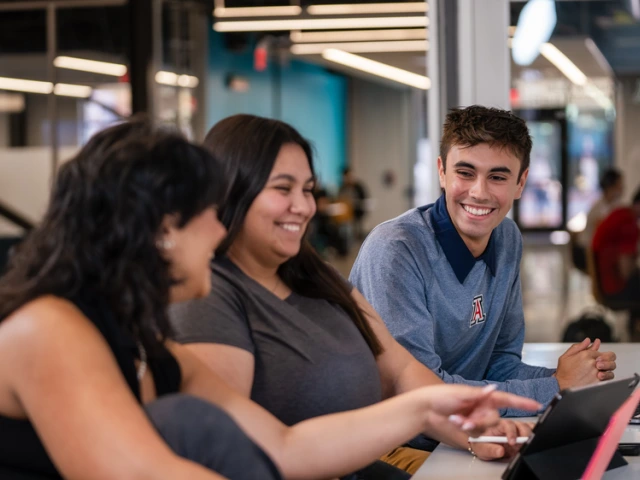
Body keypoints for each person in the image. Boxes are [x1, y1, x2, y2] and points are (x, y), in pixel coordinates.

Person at [0, 118, 539, 480]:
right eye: (209, 210)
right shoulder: (48, 332)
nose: (220, 228)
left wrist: (428, 406)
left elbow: (282, 448)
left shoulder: (146, 342)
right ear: (160, 229)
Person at [169, 114, 538, 477]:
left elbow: (403, 370)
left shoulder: (315, 275)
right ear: (232, 190)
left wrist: (474, 430)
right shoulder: (211, 295)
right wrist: (433, 415)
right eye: (283, 189)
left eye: (308, 189)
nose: (304, 206)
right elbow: (244, 450)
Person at [349, 105, 617, 417]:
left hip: (459, 429)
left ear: (520, 183)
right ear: (441, 172)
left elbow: (499, 363)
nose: (479, 192)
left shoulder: (506, 237)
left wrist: (573, 378)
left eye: (498, 177)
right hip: (390, 442)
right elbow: (419, 396)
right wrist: (555, 387)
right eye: (465, 173)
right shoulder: (395, 250)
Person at [591, 187, 640, 340]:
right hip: (614, 288)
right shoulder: (628, 224)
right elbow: (625, 270)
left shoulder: (620, 214)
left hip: (606, 283)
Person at [574, 168, 624, 271]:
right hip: (590, 252)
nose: (623, 188)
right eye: (620, 184)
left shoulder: (614, 205)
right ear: (611, 186)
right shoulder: (600, 208)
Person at [339, 167, 368, 240]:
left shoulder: (358, 187)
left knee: (357, 230)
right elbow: (340, 200)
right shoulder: (342, 187)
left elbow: (364, 199)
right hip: (346, 215)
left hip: (357, 213)